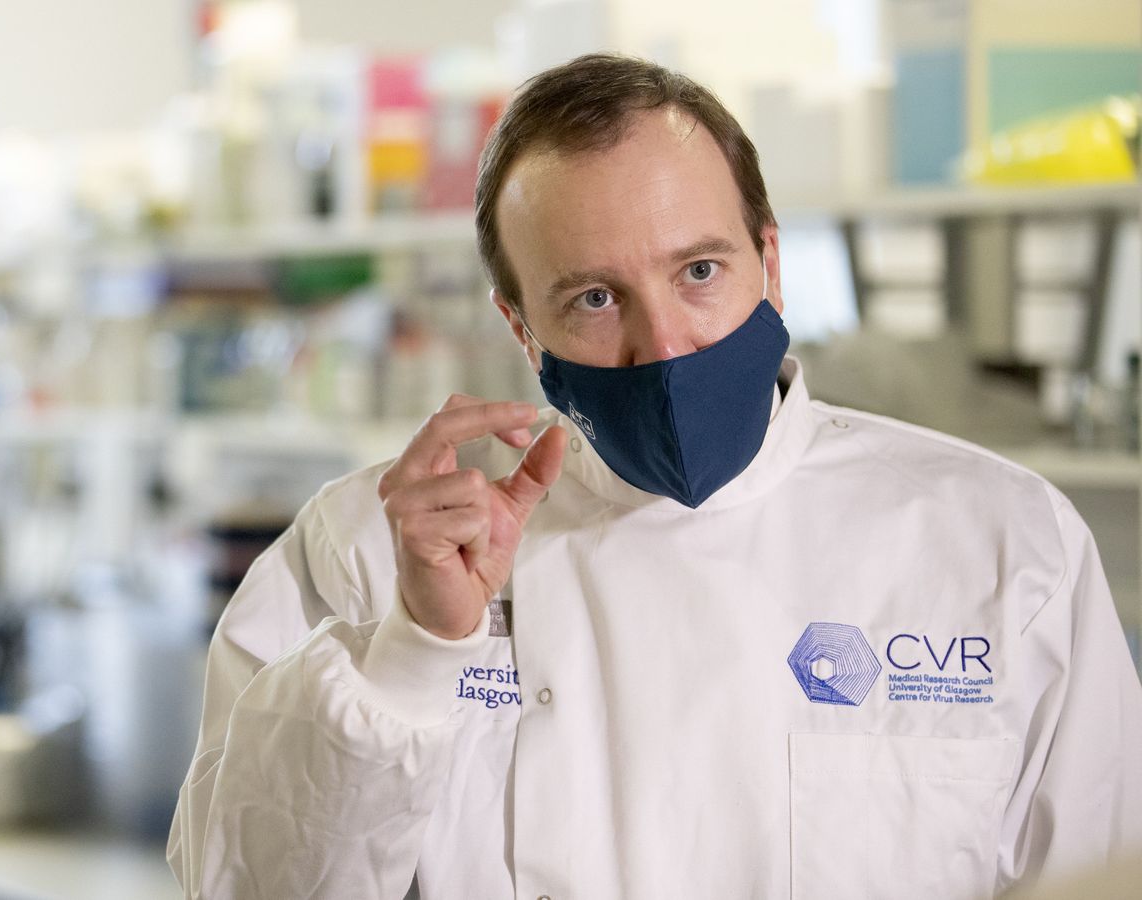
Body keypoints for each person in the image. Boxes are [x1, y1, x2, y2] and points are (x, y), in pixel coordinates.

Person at [167, 53, 1142, 899]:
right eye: (595, 298)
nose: (665, 346)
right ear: (521, 327)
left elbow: (1103, 873)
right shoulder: (370, 548)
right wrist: (418, 653)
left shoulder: (1001, 542)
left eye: (700, 272)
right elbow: (241, 885)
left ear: (769, 262)